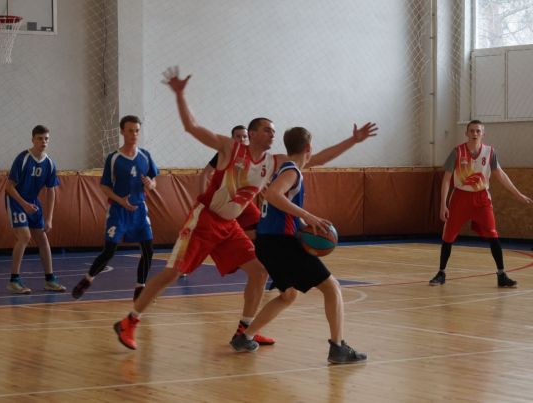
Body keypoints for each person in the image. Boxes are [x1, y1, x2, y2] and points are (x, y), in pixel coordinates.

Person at [112, 66, 377, 350]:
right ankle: (130, 320)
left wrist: (353, 140)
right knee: (173, 273)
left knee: (259, 272)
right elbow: (192, 127)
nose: (272, 134)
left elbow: (316, 158)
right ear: (252, 133)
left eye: (274, 130)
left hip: (229, 226)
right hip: (205, 220)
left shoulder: (273, 162)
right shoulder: (231, 149)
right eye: (267, 129)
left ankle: (246, 330)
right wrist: (180, 94)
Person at [229, 127, 367, 363]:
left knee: (288, 295)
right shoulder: (291, 171)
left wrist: (352, 141)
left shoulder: (285, 167)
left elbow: (323, 158)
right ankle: (338, 348)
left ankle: (245, 337)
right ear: (308, 148)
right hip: (281, 243)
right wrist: (308, 216)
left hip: (268, 243)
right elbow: (273, 195)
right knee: (332, 287)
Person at [429, 120, 532, 287]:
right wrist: (443, 204)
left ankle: (501, 275)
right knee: (448, 236)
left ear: (483, 133)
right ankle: (441, 273)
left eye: (478, 131)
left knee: (493, 234)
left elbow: (500, 174)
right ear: (466, 133)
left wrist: (518, 194)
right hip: (460, 197)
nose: (475, 133)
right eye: (472, 131)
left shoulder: (490, 152)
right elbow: (446, 179)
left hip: (482, 198)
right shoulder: (457, 152)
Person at [71, 115, 159, 301]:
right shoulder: (114, 158)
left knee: (148, 250)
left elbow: (154, 181)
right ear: (122, 132)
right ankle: (88, 279)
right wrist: (121, 201)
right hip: (118, 211)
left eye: (137, 131)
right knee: (109, 251)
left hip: (139, 211)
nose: (134, 134)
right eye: (130, 131)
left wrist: (150, 184)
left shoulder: (145, 156)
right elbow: (104, 186)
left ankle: (140, 287)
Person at [5, 125, 66, 294]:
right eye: (40, 138)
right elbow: (9, 187)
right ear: (33, 140)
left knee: (43, 238)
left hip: (33, 202)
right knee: (25, 236)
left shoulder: (49, 163)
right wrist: (24, 204)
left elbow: (51, 191)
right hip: (16, 200)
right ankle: (14, 280)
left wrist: (49, 218)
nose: (43, 142)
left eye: (46, 139)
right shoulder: (23, 159)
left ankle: (50, 279)